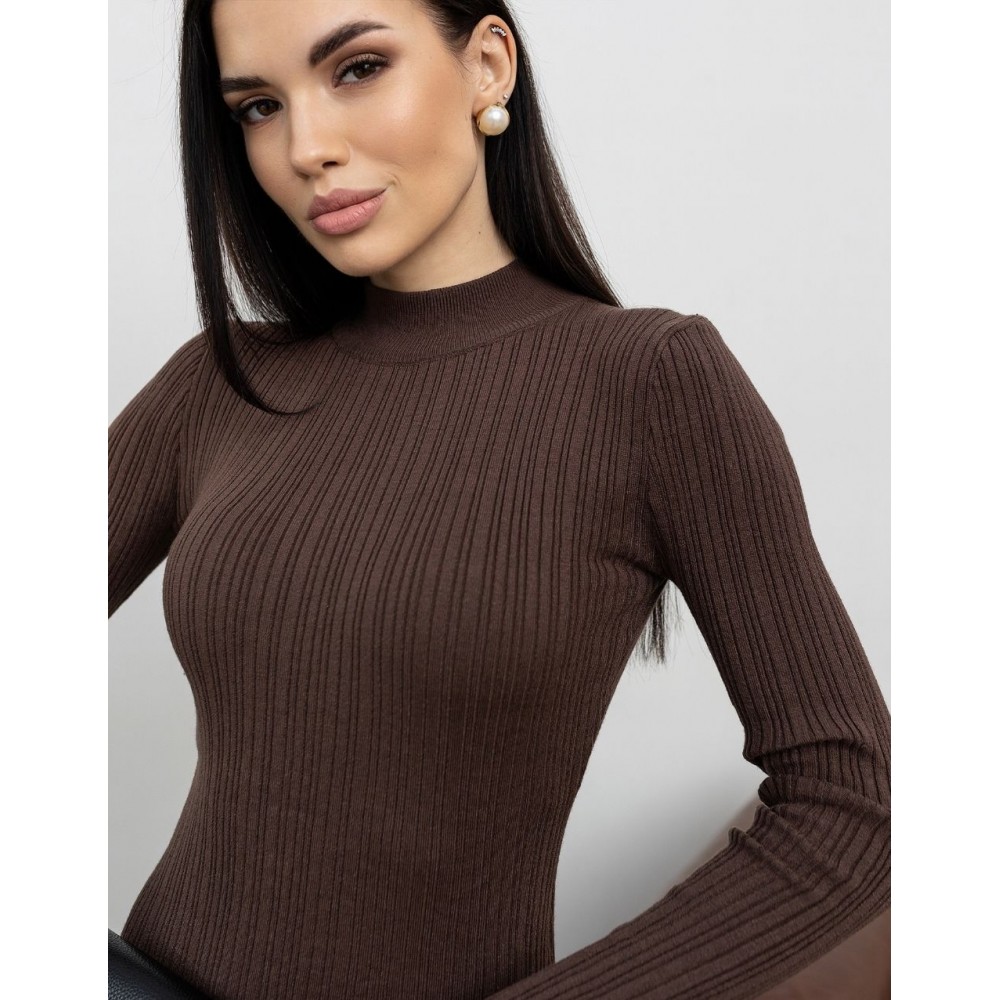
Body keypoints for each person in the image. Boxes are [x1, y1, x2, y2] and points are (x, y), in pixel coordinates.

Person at [108, 1, 891, 998]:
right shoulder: (222, 379)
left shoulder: (648, 382)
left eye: (356, 69)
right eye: (259, 106)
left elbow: (853, 807)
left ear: (486, 66)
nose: (306, 147)